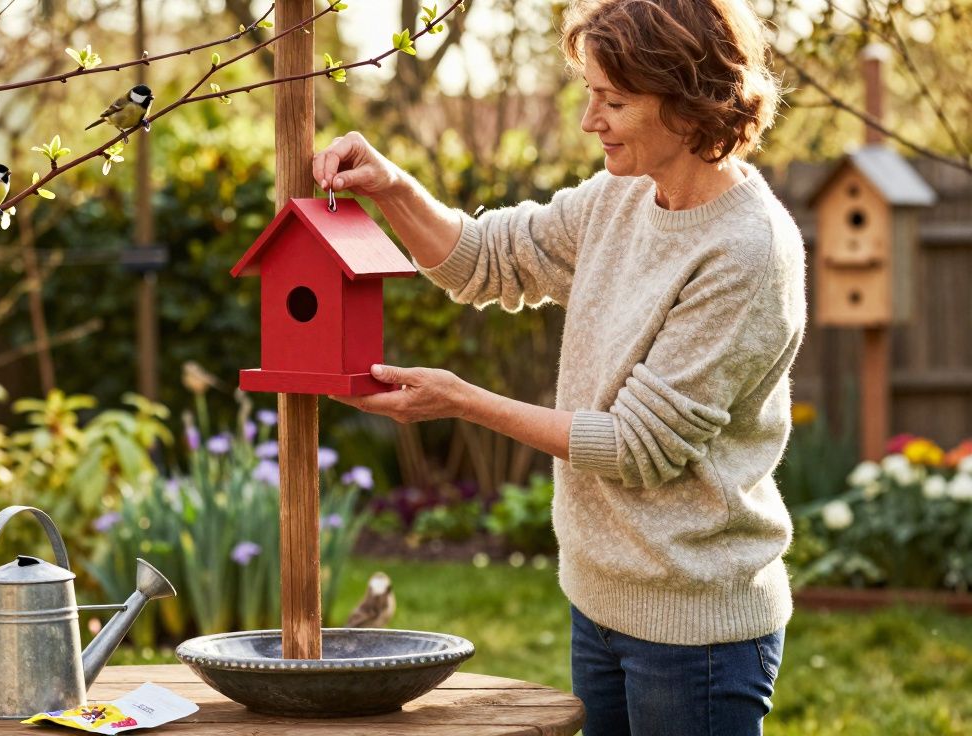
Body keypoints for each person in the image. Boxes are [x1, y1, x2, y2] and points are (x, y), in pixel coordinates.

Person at [313, 0, 801, 733]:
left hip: (696, 629)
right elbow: (486, 259)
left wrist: (464, 402)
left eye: (614, 101)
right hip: (599, 599)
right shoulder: (623, 196)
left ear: (688, 101)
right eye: (589, 94)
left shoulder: (746, 250)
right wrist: (390, 187)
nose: (589, 121)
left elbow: (638, 449)